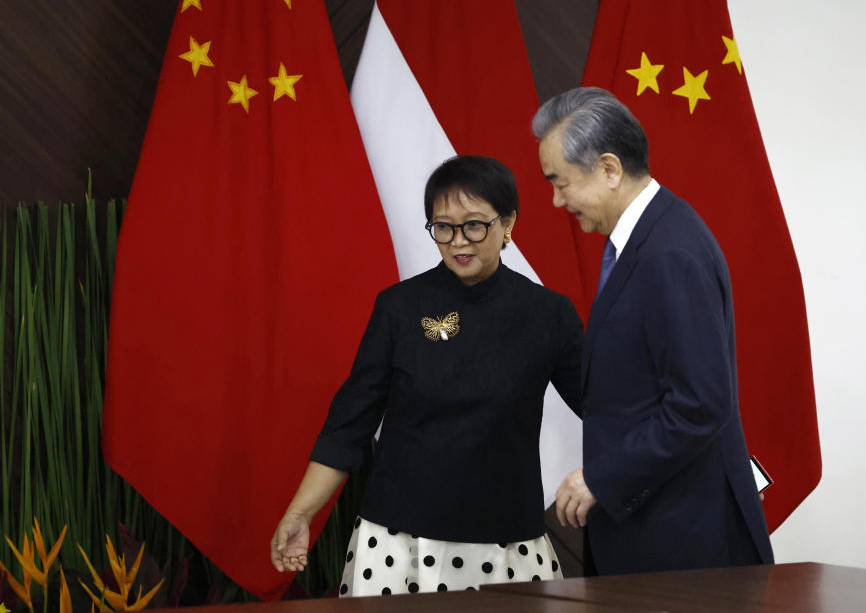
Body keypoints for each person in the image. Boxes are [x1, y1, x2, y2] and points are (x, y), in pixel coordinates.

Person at [270, 155, 582, 596]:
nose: (459, 241)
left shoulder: (549, 314)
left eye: (474, 225)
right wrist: (299, 514)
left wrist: (603, 473)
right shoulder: (399, 307)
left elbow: (610, 408)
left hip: (507, 546)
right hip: (397, 546)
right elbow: (348, 426)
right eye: (443, 227)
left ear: (508, 222)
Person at [532, 87, 773, 575]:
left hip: (682, 545)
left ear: (609, 169)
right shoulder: (649, 238)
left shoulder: (670, 253)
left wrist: (603, 478)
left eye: (560, 182)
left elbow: (701, 403)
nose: (556, 201)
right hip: (655, 533)